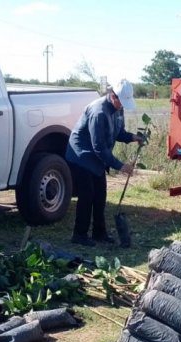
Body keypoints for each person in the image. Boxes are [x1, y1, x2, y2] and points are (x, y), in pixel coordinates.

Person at [65, 79, 144, 246]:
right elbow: (99, 147)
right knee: (87, 195)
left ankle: (99, 233)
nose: (122, 106)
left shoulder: (118, 109)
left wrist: (132, 137)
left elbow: (118, 132)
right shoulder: (98, 112)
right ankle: (79, 235)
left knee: (100, 195)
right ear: (112, 96)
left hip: (96, 156)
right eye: (121, 102)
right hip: (82, 155)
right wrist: (120, 166)